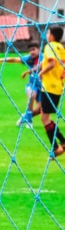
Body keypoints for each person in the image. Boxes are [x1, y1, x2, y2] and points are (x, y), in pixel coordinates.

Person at [0, 43, 41, 127]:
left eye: (33, 49)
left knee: (40, 110)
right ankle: (29, 122)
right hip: (32, 85)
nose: (32, 52)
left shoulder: (44, 58)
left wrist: (28, 72)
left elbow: (40, 66)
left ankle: (24, 117)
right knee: (31, 95)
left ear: (39, 49)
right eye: (30, 50)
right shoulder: (28, 59)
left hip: (43, 87)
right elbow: (14, 59)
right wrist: (2, 59)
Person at [38, 26, 65, 157]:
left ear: (52, 36)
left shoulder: (49, 47)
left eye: (48, 33)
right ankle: (61, 143)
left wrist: (40, 73)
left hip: (49, 86)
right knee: (45, 116)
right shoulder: (61, 48)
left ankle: (56, 147)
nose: (47, 35)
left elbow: (51, 63)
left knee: (44, 118)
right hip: (58, 86)